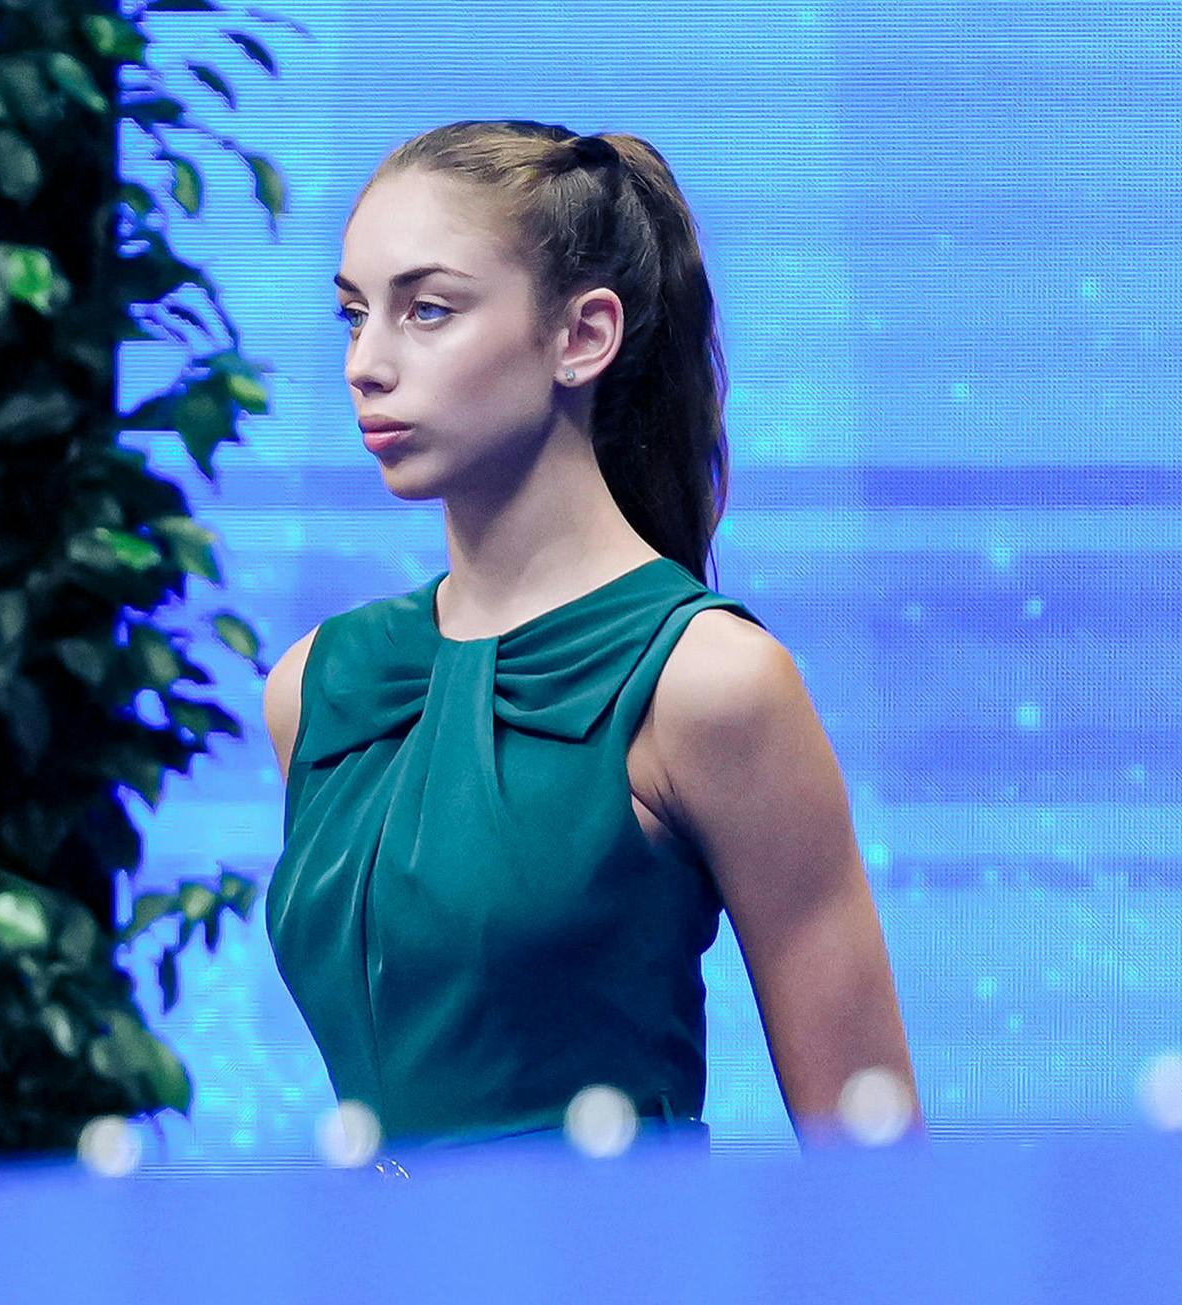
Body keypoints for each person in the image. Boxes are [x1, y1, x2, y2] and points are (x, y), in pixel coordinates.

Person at [261, 120, 921, 1168]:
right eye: (352, 315)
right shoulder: (320, 687)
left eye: (426, 310)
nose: (365, 364)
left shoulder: (709, 683)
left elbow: (872, 1156)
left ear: (582, 336)